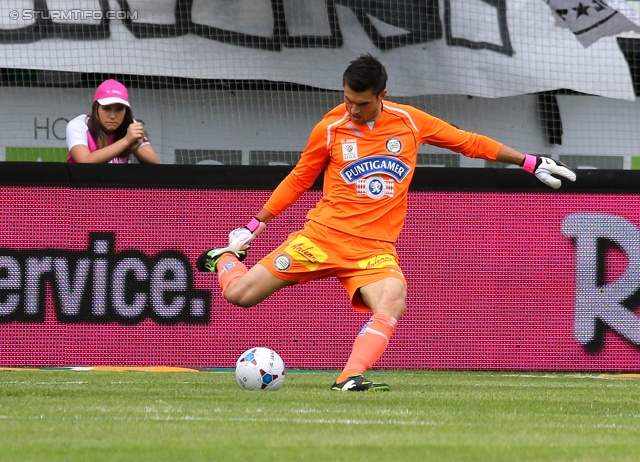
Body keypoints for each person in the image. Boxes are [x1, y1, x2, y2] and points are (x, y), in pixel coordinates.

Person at [197, 54, 576, 392]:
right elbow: (299, 178)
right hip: (322, 238)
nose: (352, 109)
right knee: (239, 296)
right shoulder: (330, 129)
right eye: (347, 100)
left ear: (382, 95)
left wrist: (530, 162)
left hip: (373, 251)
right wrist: (252, 227)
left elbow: (469, 142)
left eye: (361, 103)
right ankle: (223, 259)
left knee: (394, 298)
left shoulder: (410, 122)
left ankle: (348, 378)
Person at [66, 79, 160, 164]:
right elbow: (85, 161)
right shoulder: (78, 124)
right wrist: (126, 141)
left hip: (114, 182)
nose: (112, 116)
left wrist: (136, 150)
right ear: (96, 108)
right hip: (81, 182)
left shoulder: (131, 125)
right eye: (106, 109)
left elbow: (155, 164)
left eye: (119, 109)